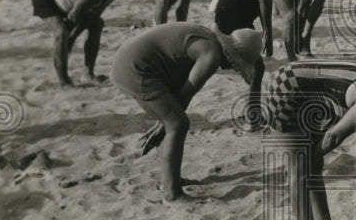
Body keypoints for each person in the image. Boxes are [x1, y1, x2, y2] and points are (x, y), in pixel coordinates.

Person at [112, 23, 264, 202]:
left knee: (172, 121)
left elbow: (181, 92)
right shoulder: (211, 55)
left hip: (132, 60)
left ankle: (170, 180)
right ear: (233, 56)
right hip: (135, 68)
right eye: (237, 66)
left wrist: (163, 123)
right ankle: (172, 193)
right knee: (178, 124)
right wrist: (165, 123)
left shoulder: (208, 38)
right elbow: (186, 94)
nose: (234, 70)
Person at [260, 59, 356, 220]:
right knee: (300, 173)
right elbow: (333, 137)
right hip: (285, 90)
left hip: (308, 92)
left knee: (313, 165)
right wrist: (300, 162)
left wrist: (310, 157)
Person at [30, 0, 141, 86]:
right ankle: (64, 82)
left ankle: (88, 74)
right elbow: (73, 16)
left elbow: (95, 14)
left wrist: (73, 36)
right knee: (61, 33)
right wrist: (68, 39)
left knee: (97, 23)